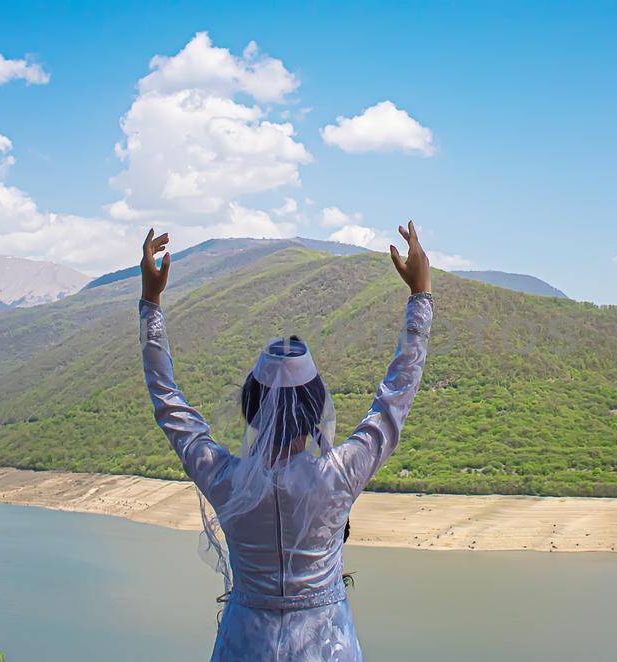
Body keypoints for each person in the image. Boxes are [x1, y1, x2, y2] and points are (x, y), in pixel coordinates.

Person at [138, 223, 434, 661]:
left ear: (251, 409)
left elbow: (169, 404)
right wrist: (420, 295)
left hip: (246, 645)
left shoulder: (226, 478)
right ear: (317, 410)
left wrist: (151, 303)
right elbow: (396, 396)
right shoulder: (339, 475)